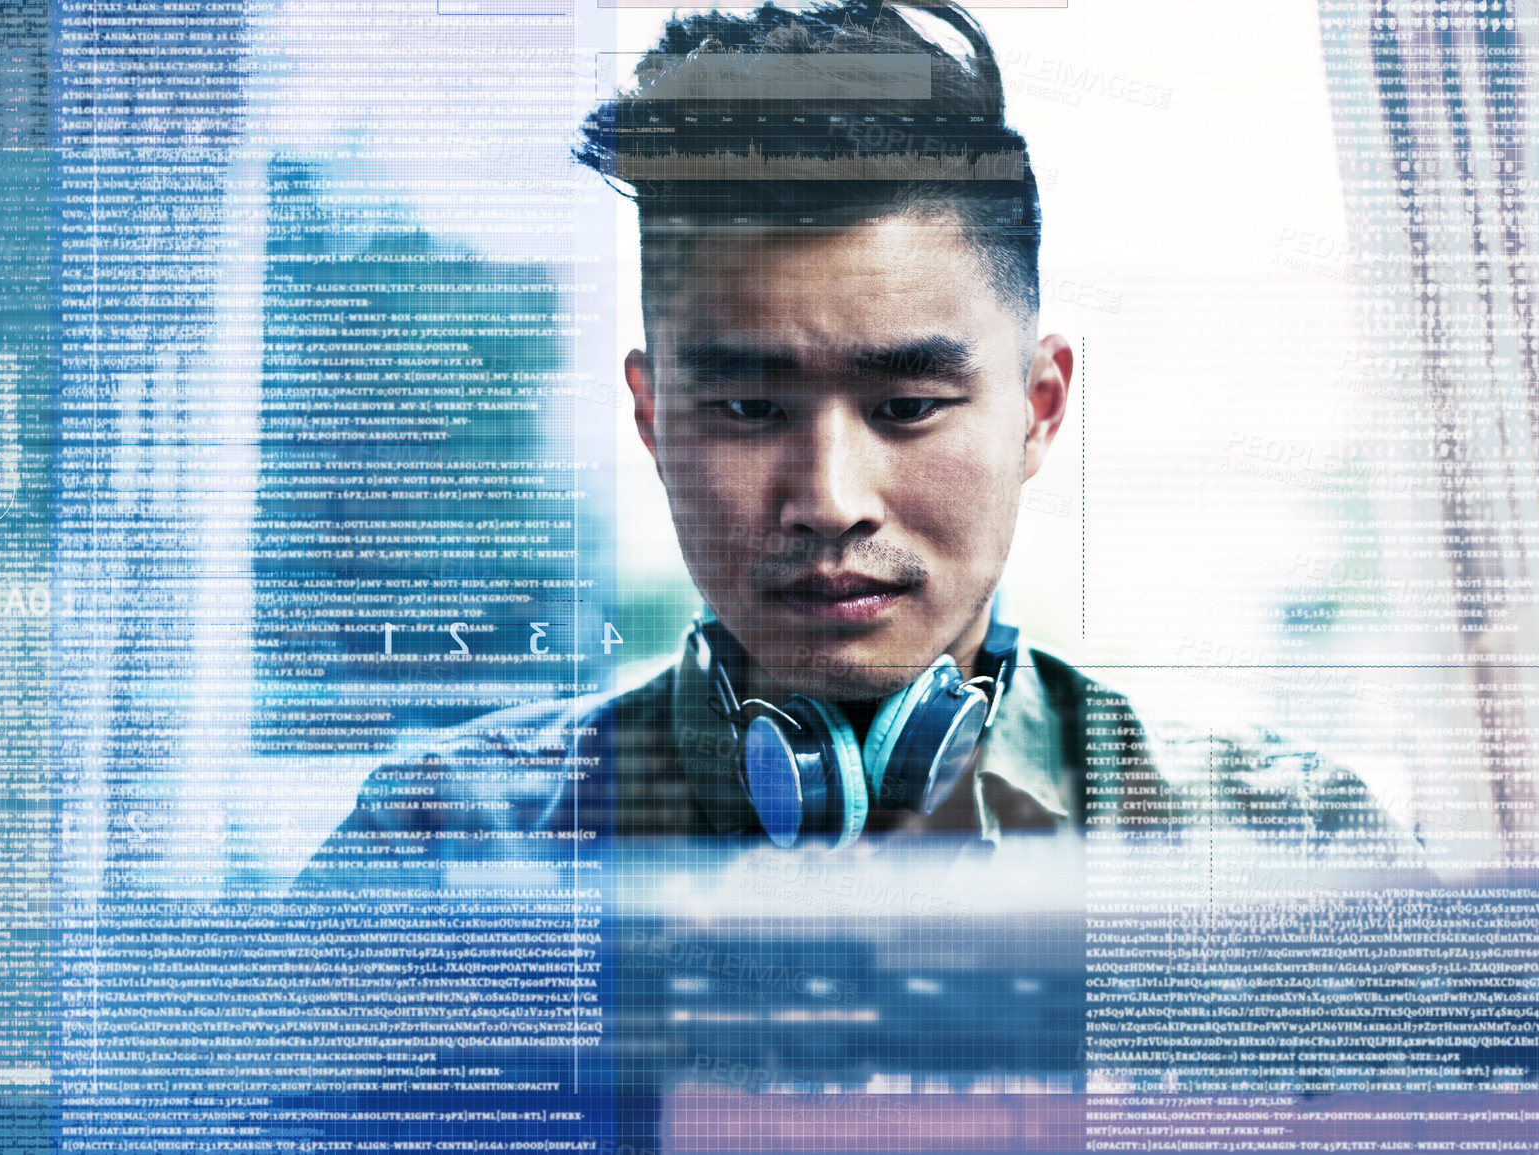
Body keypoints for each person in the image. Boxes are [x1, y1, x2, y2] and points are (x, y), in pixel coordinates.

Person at [297, 0, 1410, 892]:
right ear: (652, 420)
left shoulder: (1292, 853)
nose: (829, 500)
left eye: (907, 405)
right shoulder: (439, 858)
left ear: (1039, 407)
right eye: (745, 410)